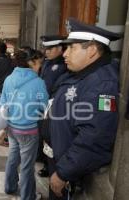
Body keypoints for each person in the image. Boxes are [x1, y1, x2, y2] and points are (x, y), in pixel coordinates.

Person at [44, 18, 121, 199]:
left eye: (72, 47)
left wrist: (63, 172)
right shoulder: (81, 75)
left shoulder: (101, 84)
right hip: (61, 160)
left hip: (71, 172)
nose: (65, 54)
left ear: (92, 50)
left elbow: (94, 137)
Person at [1, 50, 48, 200]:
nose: (40, 66)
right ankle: (28, 196)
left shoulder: (9, 79)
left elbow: (3, 104)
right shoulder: (38, 82)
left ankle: (9, 187)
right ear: (31, 62)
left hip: (12, 128)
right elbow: (44, 106)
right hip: (28, 130)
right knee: (27, 166)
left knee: (13, 159)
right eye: (39, 63)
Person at [38, 35, 68, 178]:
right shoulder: (47, 63)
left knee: (50, 136)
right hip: (42, 102)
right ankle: (44, 160)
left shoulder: (64, 65)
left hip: (53, 105)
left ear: (60, 49)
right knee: (43, 133)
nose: (46, 51)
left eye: (50, 49)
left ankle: (49, 165)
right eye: (45, 48)